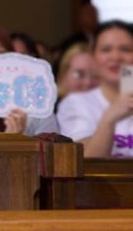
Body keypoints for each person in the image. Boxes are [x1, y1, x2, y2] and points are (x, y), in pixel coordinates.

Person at [57, 20, 133, 158]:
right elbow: (87, 163)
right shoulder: (75, 103)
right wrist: (109, 119)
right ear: (93, 57)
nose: (115, 57)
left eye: (125, 49)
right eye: (106, 49)